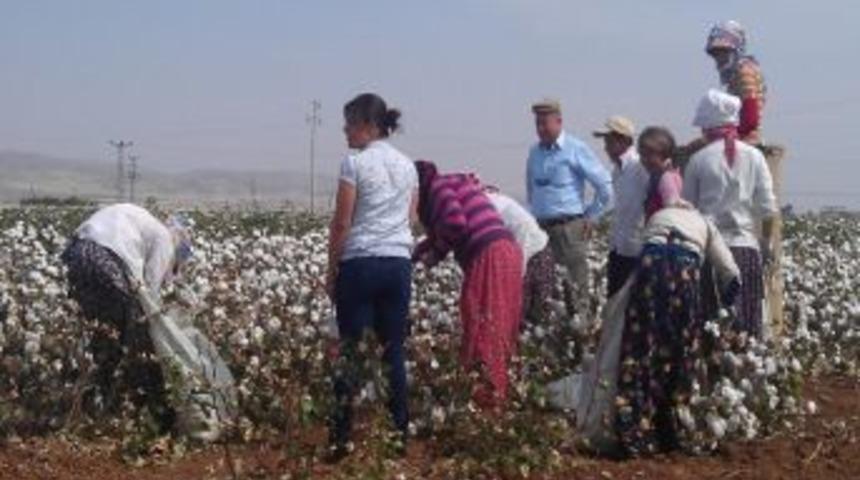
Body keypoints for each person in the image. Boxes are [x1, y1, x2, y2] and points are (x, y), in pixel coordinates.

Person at [559, 203, 740, 456]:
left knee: (640, 351)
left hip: (650, 270)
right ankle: (671, 430)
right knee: (679, 352)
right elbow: (730, 271)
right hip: (683, 272)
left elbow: (635, 256)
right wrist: (728, 309)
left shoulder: (658, 217)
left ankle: (632, 432)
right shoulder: (705, 224)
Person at [325, 93, 418, 460]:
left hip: (360, 264)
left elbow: (342, 222)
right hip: (397, 265)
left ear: (369, 127)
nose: (345, 130)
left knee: (351, 352)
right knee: (392, 351)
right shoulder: (408, 167)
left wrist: (332, 269)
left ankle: (340, 439)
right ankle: (398, 437)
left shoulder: (354, 164)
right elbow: (410, 219)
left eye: (349, 123)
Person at [61, 203, 193, 431]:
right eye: (174, 267)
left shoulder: (145, 223)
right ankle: (156, 410)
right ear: (177, 248)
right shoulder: (164, 239)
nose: (170, 271)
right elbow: (149, 295)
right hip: (102, 260)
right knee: (137, 336)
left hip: (77, 255)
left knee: (106, 335)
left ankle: (97, 403)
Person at [413, 161, 523, 410]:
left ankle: (484, 399)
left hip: (489, 255)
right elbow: (438, 233)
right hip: (506, 252)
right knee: (499, 324)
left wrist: (436, 255)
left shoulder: (438, 189)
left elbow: (454, 223)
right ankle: (498, 395)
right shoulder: (449, 186)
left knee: (483, 322)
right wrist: (416, 254)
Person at [682, 89, 778, 338]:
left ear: (706, 127)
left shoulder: (698, 160)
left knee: (711, 325)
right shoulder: (755, 157)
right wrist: (766, 243)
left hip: (710, 252)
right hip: (745, 248)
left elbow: (688, 212)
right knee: (747, 324)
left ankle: (713, 375)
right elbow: (768, 209)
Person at [526, 99, 613, 319]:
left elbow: (604, 186)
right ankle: (549, 339)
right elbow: (531, 190)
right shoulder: (535, 153)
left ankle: (580, 337)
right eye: (537, 124)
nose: (541, 129)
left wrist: (592, 217)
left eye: (545, 123)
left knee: (575, 289)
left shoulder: (575, 149)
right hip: (541, 230)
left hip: (569, 229)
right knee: (545, 289)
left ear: (559, 121)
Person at [593, 116, 649, 298]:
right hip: (619, 247)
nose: (606, 147)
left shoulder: (640, 167)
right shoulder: (617, 171)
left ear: (624, 140)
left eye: (609, 141)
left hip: (636, 248)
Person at [484, 186, 556, 327]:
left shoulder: (495, 208)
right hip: (536, 251)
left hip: (534, 253)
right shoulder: (501, 204)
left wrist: (517, 275)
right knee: (532, 310)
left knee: (531, 309)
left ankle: (527, 344)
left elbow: (523, 238)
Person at [706, 20, 766, 145]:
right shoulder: (738, 72)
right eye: (716, 53)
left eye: (724, 51)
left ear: (737, 49)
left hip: (746, 140)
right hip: (741, 137)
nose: (719, 57)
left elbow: (750, 119)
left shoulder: (744, 73)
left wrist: (723, 134)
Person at [639, 126, 684, 220]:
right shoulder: (656, 176)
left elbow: (672, 211)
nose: (644, 160)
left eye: (649, 155)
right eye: (642, 155)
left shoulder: (666, 178)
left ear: (664, 154)